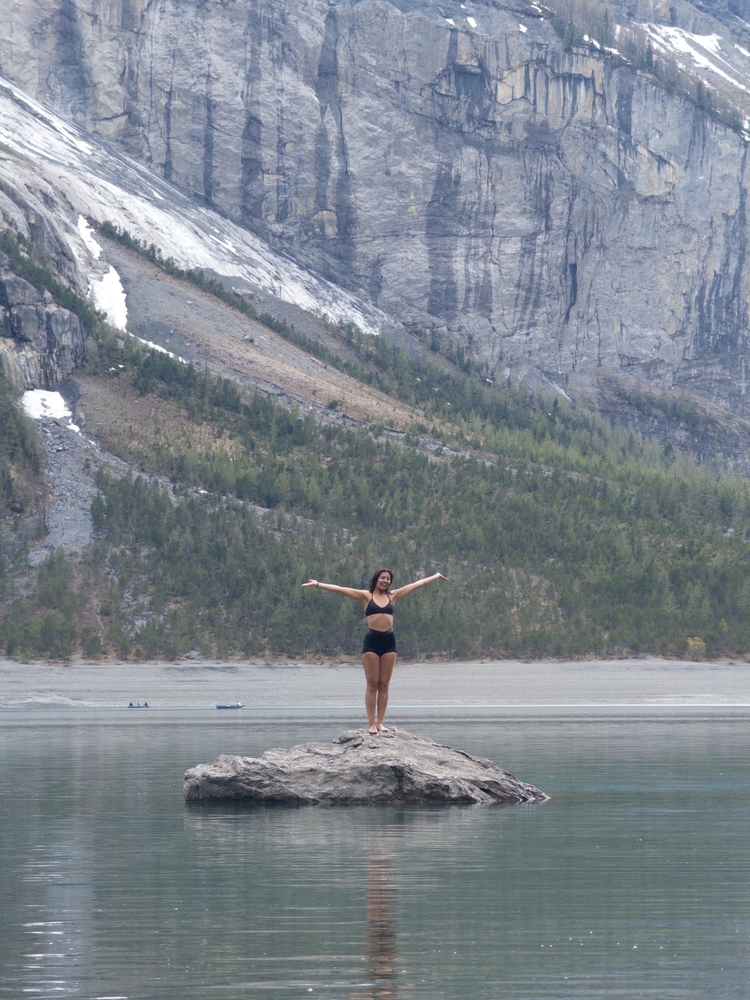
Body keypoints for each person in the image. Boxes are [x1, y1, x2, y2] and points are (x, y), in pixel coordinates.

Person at [302, 568, 448, 734]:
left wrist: (436, 576)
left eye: (388, 579)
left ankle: (380, 723)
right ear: (376, 579)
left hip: (389, 641)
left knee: (384, 685)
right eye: (382, 578)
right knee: (372, 684)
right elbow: (341, 589)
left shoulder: (393, 596)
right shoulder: (366, 596)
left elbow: (417, 584)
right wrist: (318, 584)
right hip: (371, 641)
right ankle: (371, 723)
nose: (385, 581)